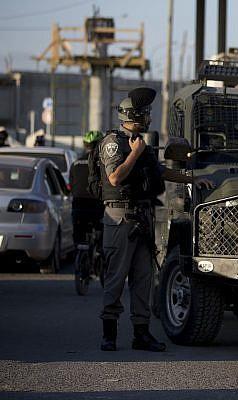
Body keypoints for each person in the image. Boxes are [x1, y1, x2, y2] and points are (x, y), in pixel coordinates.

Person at [99, 87, 214, 352]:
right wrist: (134, 153)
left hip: (143, 216)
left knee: (143, 279)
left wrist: (193, 179)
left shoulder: (140, 142)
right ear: (134, 115)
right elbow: (115, 177)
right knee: (116, 278)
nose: (149, 117)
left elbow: (160, 171)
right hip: (120, 217)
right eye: (146, 112)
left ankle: (141, 334)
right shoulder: (114, 142)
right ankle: (109, 334)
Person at [70, 131, 105, 246]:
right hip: (97, 207)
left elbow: (71, 187)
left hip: (78, 207)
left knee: (79, 239)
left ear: (85, 145)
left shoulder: (75, 163)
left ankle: (79, 251)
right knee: (103, 237)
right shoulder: (102, 164)